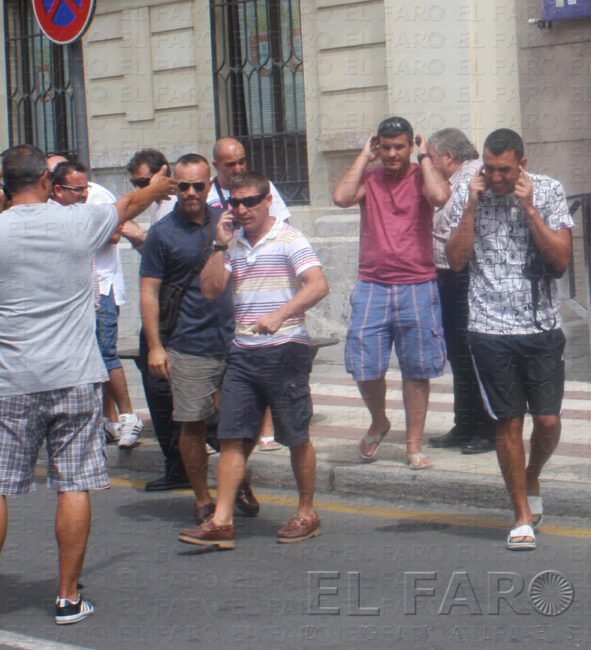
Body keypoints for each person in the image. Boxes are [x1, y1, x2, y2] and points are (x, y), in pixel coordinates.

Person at [0, 144, 175, 624]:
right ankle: (67, 597)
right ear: (45, 181)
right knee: (74, 485)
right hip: (74, 376)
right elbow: (128, 204)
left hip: (11, 378)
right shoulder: (76, 222)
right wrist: (157, 186)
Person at [178, 171, 329, 549]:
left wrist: (280, 314)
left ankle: (307, 512)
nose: (242, 209)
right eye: (235, 202)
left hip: (285, 349)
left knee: (296, 436)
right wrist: (218, 244)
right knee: (231, 438)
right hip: (243, 353)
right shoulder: (233, 244)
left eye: (249, 202)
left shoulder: (290, 239)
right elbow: (210, 290)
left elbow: (318, 284)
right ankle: (221, 521)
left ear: (267, 202)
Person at [446, 128, 573, 550]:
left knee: (548, 421)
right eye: (489, 168)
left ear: (522, 164)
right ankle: (520, 514)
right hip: (489, 327)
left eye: (504, 170)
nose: (496, 178)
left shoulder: (549, 190)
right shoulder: (467, 191)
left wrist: (529, 208)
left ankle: (531, 475)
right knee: (508, 422)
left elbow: (561, 259)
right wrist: (470, 206)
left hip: (541, 326)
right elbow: (456, 260)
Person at [140, 154, 257, 525]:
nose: (191, 192)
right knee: (192, 424)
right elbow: (148, 293)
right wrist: (155, 346)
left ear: (210, 186)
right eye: (183, 186)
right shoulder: (162, 233)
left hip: (235, 339)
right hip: (189, 342)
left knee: (243, 422)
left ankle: (236, 480)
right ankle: (204, 499)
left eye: (198, 186)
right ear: (175, 186)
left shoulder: (228, 220)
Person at [332, 116, 450, 469]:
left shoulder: (421, 175)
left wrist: (425, 157)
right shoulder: (370, 178)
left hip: (418, 284)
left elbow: (440, 197)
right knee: (363, 366)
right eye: (386, 148)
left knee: (417, 369)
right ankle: (379, 421)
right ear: (378, 148)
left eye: (399, 147)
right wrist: (363, 157)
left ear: (410, 146)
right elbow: (340, 198)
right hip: (373, 285)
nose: (393, 154)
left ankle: (413, 444)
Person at [51, 161, 144, 448]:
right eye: (76, 189)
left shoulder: (98, 197)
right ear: (57, 189)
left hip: (102, 287)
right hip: (72, 294)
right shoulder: (50, 209)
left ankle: (129, 417)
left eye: (84, 188)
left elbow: (114, 233)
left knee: (106, 353)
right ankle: (108, 419)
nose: (83, 194)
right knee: (87, 358)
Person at [209, 137, 290, 451]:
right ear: (216, 165)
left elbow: (282, 228)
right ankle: (225, 430)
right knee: (224, 366)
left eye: (242, 161)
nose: (238, 168)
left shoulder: (262, 188)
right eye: (231, 164)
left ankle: (266, 429)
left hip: (256, 287)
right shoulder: (205, 192)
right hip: (219, 283)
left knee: (261, 358)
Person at [426, 128, 495, 454]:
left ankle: (487, 428)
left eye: (430, 157)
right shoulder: (452, 181)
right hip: (449, 276)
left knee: (472, 353)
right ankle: (465, 423)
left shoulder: (471, 178)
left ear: (448, 156)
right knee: (458, 354)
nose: (427, 164)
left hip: (465, 275)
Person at [123, 149, 188, 491]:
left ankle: (202, 465)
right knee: (160, 393)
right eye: (136, 184)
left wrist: (140, 237)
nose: (141, 189)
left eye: (145, 182)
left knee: (171, 392)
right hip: (160, 310)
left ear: (164, 172)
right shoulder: (157, 205)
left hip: (176, 313)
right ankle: (177, 466)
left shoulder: (178, 204)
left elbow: (175, 256)